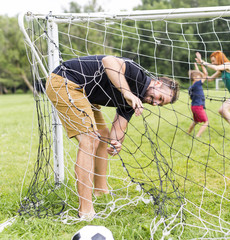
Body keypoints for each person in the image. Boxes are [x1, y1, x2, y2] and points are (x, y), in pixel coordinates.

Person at [45, 55, 180, 219]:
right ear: (157, 83)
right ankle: (86, 209)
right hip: (65, 82)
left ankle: (101, 191)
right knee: (89, 139)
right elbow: (108, 60)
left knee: (104, 136)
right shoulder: (136, 75)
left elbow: (117, 131)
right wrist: (127, 93)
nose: (156, 103)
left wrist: (116, 143)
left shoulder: (134, 100)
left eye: (160, 104)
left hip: (84, 93)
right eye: (160, 98)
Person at [195, 51, 230, 132]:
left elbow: (216, 68)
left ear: (219, 58)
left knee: (223, 109)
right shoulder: (221, 71)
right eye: (211, 61)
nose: (212, 63)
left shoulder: (228, 65)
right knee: (221, 110)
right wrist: (200, 68)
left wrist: (202, 61)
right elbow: (210, 79)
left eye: (214, 61)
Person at [187, 62, 209, 138]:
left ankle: (188, 133)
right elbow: (205, 74)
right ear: (195, 78)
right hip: (198, 106)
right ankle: (198, 135)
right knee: (206, 122)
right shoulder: (197, 84)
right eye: (199, 76)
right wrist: (201, 64)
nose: (201, 77)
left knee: (195, 121)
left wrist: (196, 67)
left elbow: (201, 75)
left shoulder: (192, 86)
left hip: (193, 106)